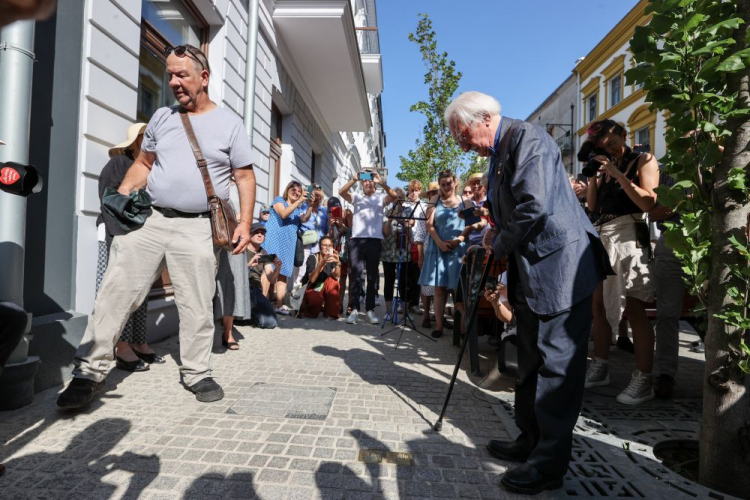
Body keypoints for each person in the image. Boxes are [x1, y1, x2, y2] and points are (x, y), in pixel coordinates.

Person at [57, 44, 257, 408]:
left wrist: (245, 222)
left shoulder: (229, 124)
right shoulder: (163, 118)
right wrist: (120, 194)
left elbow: (244, 176)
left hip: (198, 228)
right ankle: (87, 373)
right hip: (151, 220)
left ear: (204, 78)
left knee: (196, 303)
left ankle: (197, 372)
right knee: (115, 294)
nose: (174, 82)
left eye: (182, 75)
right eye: (170, 74)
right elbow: (144, 164)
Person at [446, 90, 611, 495]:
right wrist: (492, 230)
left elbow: (534, 205)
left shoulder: (526, 139)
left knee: (557, 366)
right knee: (531, 358)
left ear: (484, 118)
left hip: (561, 267)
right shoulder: (500, 151)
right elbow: (510, 209)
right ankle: (530, 440)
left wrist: (498, 241)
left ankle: (548, 464)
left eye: (462, 133)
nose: (461, 143)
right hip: (533, 268)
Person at [583, 119, 659, 406]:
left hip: (630, 234)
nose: (610, 150)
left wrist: (617, 174)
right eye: (603, 147)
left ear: (625, 135)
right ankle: (600, 365)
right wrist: (594, 176)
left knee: (635, 306)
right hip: (603, 235)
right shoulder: (603, 170)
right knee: (598, 305)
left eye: (613, 144)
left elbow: (648, 203)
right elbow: (592, 207)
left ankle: (643, 378)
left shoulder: (644, 160)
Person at [96, 122, 164, 372]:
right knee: (117, 291)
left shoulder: (152, 168)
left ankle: (137, 341)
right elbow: (108, 200)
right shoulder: (118, 164)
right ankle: (119, 345)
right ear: (136, 140)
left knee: (140, 292)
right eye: (147, 137)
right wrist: (120, 235)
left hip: (142, 236)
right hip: (117, 233)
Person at [338, 168, 398, 325]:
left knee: (372, 277)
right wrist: (354, 179)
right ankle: (355, 309)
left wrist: (382, 182)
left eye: (370, 179)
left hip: (374, 240)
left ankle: (370, 309)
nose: (368, 182)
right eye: (365, 179)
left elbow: (394, 196)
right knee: (356, 276)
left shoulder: (380, 198)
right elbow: (341, 192)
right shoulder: (357, 197)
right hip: (357, 240)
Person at [418, 170, 466, 338]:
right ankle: (438, 325)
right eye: (443, 184)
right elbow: (429, 225)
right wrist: (439, 243)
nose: (446, 187)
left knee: (457, 289)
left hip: (457, 249)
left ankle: (460, 327)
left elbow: (473, 225)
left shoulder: (464, 201)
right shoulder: (434, 200)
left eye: (449, 183)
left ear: (455, 183)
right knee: (439, 289)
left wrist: (459, 239)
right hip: (438, 247)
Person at [262, 180, 313, 315]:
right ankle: (261, 304)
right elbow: (283, 214)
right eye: (294, 189)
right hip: (272, 241)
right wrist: (299, 201)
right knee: (268, 272)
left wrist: (310, 206)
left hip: (288, 245)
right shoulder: (279, 200)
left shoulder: (297, 209)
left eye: (299, 191)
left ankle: (279, 305)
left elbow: (304, 219)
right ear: (288, 189)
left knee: (283, 274)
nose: (296, 192)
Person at [214, 179, 252, 350]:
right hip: (208, 234)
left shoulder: (240, 184)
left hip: (232, 237)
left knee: (231, 282)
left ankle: (227, 332)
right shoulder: (209, 177)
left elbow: (246, 216)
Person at [382, 188, 412, 316]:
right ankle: (388, 311)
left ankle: (404, 310)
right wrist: (389, 219)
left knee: (404, 282)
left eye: (401, 198)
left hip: (404, 252)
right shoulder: (385, 211)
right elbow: (385, 232)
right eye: (396, 197)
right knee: (389, 281)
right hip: (388, 252)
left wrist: (398, 218)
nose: (398, 200)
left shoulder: (408, 211)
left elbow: (410, 224)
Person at [413, 181, 438, 328]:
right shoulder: (424, 212)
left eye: (436, 193)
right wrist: (420, 256)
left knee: (440, 285)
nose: (434, 195)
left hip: (442, 251)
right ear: (428, 196)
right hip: (428, 250)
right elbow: (420, 235)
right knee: (426, 284)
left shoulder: (445, 209)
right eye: (432, 193)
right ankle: (426, 314)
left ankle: (437, 315)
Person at [245, 223, 279, 329]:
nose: (260, 235)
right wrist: (249, 264)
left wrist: (277, 268)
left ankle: (249, 316)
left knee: (270, 322)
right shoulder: (242, 249)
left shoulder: (264, 252)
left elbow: (271, 278)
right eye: (256, 233)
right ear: (249, 235)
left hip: (256, 290)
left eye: (262, 233)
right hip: (242, 287)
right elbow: (233, 273)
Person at [293, 184, 328, 288]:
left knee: (317, 267)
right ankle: (297, 288)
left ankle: (313, 290)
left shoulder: (324, 211)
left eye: (318, 196)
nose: (316, 198)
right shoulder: (303, 207)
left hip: (319, 244)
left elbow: (326, 229)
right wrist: (310, 206)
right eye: (314, 195)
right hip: (306, 242)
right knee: (301, 267)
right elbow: (304, 219)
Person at [299, 236, 341, 318]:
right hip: (312, 286)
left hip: (323, 285)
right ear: (320, 246)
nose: (327, 248)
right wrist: (321, 263)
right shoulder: (313, 258)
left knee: (334, 283)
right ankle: (308, 307)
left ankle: (330, 312)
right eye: (324, 245)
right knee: (314, 301)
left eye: (330, 246)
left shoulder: (332, 258)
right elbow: (312, 279)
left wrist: (337, 263)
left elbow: (336, 276)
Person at [403, 180, 424, 314]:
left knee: (417, 274)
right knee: (405, 275)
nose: (414, 192)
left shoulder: (424, 205)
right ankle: (403, 302)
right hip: (405, 242)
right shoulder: (404, 205)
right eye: (411, 190)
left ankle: (414, 303)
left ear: (420, 191)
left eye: (416, 190)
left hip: (418, 243)